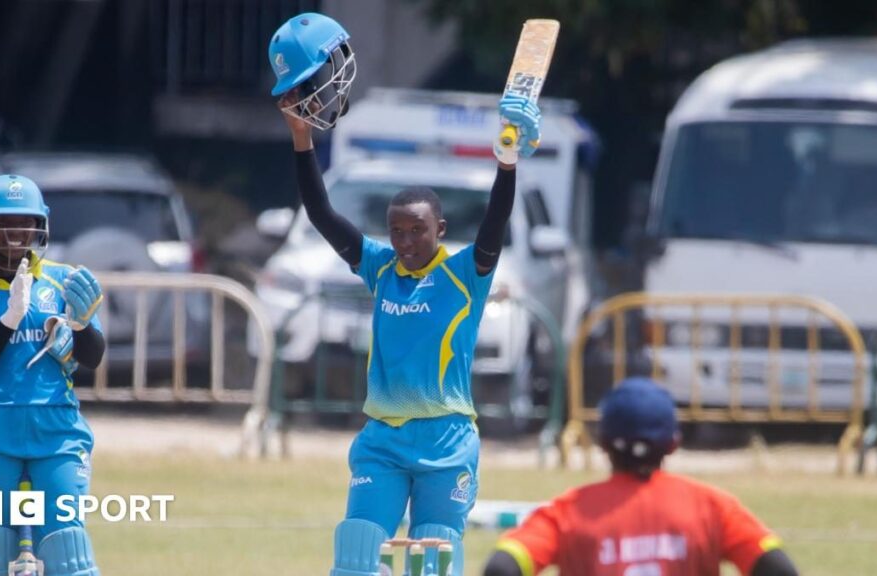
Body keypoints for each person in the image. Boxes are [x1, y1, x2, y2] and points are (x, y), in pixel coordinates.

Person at [268, 12, 542, 575]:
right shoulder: (381, 269)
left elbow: (495, 222)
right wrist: (301, 138)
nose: (406, 241)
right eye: (397, 231)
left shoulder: (466, 274)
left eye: (418, 231)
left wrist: (507, 162)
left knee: (433, 561)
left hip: (447, 443)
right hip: (383, 444)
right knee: (355, 555)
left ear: (440, 229)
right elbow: (321, 214)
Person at [0, 174, 106, 576]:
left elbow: (93, 358)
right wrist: (9, 319)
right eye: (2, 223)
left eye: (24, 222)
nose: (14, 234)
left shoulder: (64, 282)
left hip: (58, 432)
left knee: (69, 549)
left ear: (39, 226)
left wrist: (82, 326)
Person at [483, 377, 800, 576]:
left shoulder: (567, 512)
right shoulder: (712, 507)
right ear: (673, 443)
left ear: (603, 443)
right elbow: (777, 567)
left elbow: (502, 567)